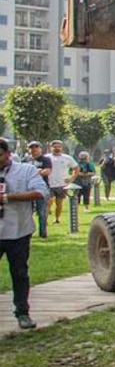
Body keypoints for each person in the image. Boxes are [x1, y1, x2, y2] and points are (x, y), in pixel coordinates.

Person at [0, 137, 51, 330]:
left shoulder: (25, 170)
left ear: (6, 154)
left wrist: (7, 197)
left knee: (19, 273)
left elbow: (41, 192)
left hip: (18, 232)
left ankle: (22, 312)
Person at [46, 140, 79, 225]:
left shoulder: (67, 158)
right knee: (48, 202)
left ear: (61, 148)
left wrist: (71, 178)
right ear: (51, 148)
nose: (57, 148)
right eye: (55, 147)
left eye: (59, 147)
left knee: (59, 203)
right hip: (48, 184)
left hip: (62, 184)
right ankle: (44, 219)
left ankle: (57, 219)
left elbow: (76, 168)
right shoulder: (46, 157)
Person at [26, 142, 51, 238]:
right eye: (32, 148)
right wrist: (38, 171)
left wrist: (32, 173)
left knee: (42, 212)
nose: (34, 149)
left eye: (36, 147)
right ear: (29, 149)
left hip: (42, 188)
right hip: (27, 188)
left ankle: (43, 233)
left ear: (40, 149)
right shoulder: (25, 160)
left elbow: (47, 171)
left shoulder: (45, 159)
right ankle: (28, 233)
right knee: (28, 211)